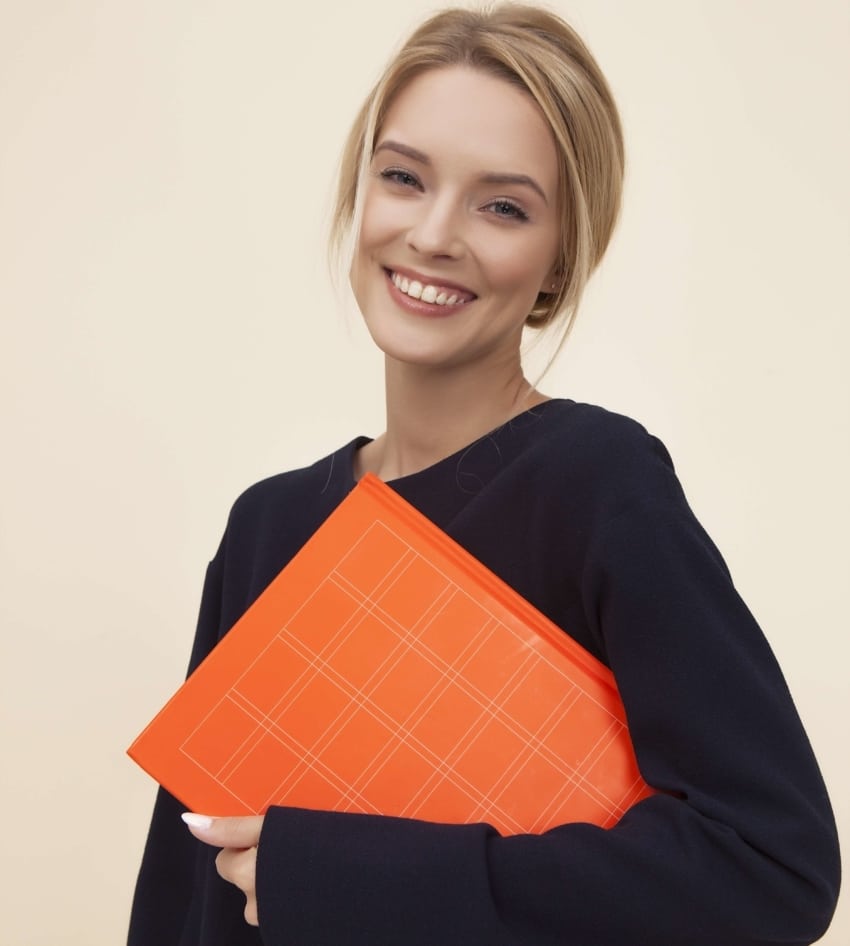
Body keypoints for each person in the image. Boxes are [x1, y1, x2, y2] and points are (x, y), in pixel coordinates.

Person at [127, 5, 840, 944]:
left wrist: (354, 880)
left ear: (555, 265)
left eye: (502, 205)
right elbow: (188, 895)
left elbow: (771, 863)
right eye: (402, 178)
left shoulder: (597, 485)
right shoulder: (268, 525)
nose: (431, 234)